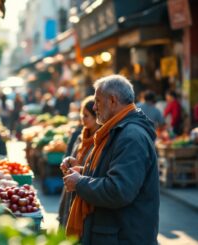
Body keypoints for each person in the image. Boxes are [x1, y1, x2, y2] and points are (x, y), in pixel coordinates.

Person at [62, 75, 159, 244]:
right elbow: (112, 173)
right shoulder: (116, 130)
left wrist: (80, 183)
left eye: (97, 101)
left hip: (123, 237)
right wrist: (84, 171)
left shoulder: (131, 137)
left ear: (113, 100)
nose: (94, 107)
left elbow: (119, 190)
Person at [58, 96, 100, 227]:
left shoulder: (101, 141)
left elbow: (96, 169)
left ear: (96, 117)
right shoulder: (80, 136)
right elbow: (72, 155)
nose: (83, 119)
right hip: (71, 188)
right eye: (82, 115)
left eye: (86, 116)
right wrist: (68, 161)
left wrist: (80, 168)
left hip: (85, 190)